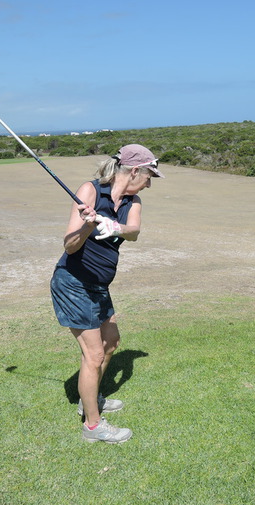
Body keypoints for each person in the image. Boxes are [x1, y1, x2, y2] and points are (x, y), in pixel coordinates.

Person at [50, 144, 164, 443]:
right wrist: (88, 225)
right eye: (150, 175)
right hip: (74, 282)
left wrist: (113, 225)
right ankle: (92, 426)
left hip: (99, 285)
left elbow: (134, 232)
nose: (150, 182)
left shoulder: (133, 200)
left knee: (111, 343)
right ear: (135, 170)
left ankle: (91, 398)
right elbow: (70, 246)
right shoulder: (90, 191)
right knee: (94, 353)